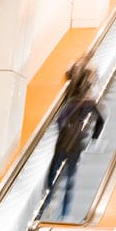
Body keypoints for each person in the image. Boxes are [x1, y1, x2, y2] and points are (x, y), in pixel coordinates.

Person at [46, 90, 104, 219]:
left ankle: (48, 203)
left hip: (63, 141)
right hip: (76, 143)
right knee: (70, 177)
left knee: (52, 174)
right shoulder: (90, 103)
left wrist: (63, 130)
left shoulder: (72, 101)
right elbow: (101, 119)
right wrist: (94, 137)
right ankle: (65, 212)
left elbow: (60, 119)